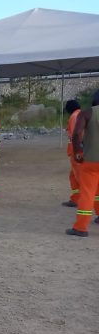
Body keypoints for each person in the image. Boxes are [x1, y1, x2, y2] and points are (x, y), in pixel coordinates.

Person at [67, 91, 99, 237]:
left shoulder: (87, 113)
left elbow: (76, 134)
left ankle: (81, 227)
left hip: (91, 161)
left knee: (87, 193)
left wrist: (78, 152)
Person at [63, 100, 82, 207]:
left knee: (80, 177)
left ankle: (85, 200)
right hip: (76, 151)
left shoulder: (75, 116)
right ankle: (76, 199)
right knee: (73, 176)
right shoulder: (80, 114)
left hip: (77, 152)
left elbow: (77, 134)